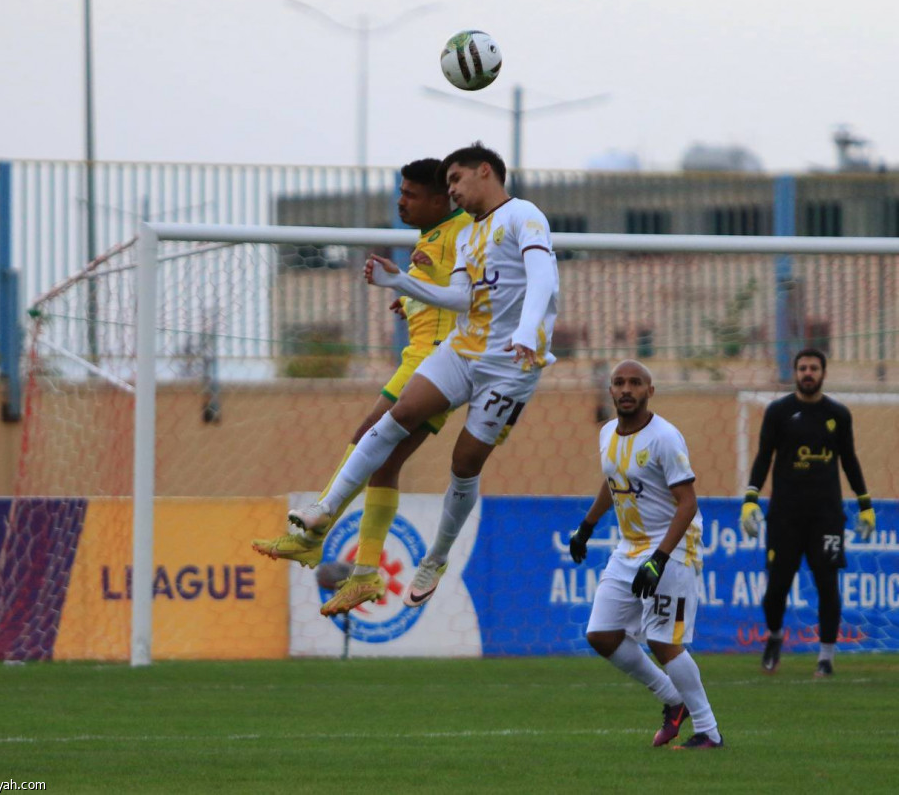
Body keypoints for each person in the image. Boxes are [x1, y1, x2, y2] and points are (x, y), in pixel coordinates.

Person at [288, 141, 559, 613]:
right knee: (398, 416)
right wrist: (400, 282)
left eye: (455, 179)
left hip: (510, 365)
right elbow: (459, 298)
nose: (451, 190)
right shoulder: (470, 235)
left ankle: (435, 558)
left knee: (464, 463)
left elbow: (543, 278)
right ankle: (324, 508)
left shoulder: (523, 215)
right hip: (462, 349)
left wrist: (527, 330)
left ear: (484, 171)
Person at [252, 158, 471, 615]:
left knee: (371, 438)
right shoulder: (433, 235)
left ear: (439, 200)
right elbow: (440, 291)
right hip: (418, 357)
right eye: (401, 192)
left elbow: (470, 294)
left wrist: (415, 286)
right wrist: (411, 301)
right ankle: (361, 571)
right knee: (381, 459)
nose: (401, 201)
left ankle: (322, 535)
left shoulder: (462, 232)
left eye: (410, 194)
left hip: (438, 363)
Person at [569, 360, 723, 750]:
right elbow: (613, 481)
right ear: (610, 391)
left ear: (649, 391)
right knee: (601, 634)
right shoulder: (607, 433)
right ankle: (672, 699)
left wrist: (660, 558)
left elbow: (687, 503)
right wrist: (586, 527)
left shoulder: (665, 438)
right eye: (619, 382)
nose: (626, 389)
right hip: (629, 548)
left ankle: (709, 731)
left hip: (672, 546)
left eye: (635, 383)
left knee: (663, 641)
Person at [740, 348, 875, 678]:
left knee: (827, 585)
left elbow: (849, 459)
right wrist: (750, 499)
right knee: (776, 589)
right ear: (796, 373)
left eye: (814, 368)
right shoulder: (778, 412)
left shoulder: (838, 414)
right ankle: (774, 637)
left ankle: (826, 657)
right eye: (803, 368)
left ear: (823, 373)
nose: (808, 373)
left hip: (827, 516)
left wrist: (865, 504)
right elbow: (763, 457)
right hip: (784, 517)